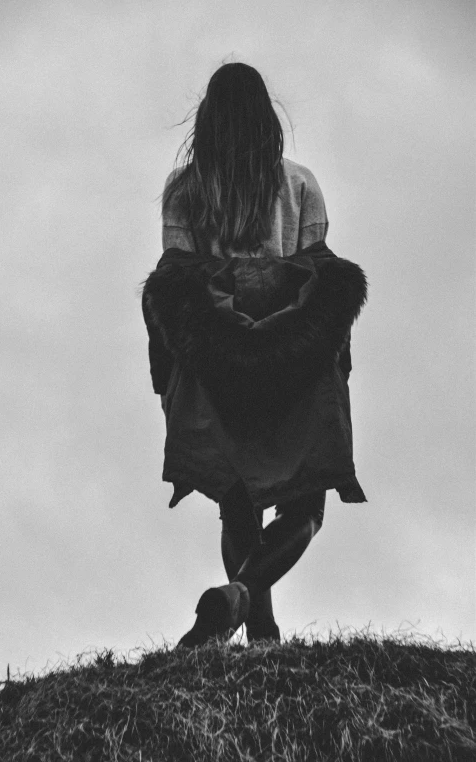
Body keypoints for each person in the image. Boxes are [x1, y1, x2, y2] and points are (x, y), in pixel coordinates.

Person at [141, 62, 368, 648]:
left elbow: (178, 277)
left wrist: (169, 368)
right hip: (291, 356)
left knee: (237, 503)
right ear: (267, 116)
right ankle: (248, 607)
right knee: (306, 505)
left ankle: (251, 621)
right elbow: (316, 273)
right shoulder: (301, 183)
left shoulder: (185, 190)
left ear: (208, 121)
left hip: (218, 362)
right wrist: (331, 354)